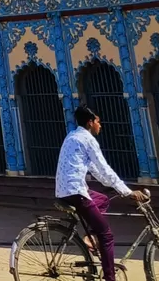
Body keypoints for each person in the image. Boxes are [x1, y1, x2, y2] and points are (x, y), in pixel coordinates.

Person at [55, 106, 146, 281]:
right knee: (107, 236)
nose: (100, 125)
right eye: (98, 121)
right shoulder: (88, 140)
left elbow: (95, 169)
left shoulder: (72, 136)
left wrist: (113, 186)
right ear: (90, 122)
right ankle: (110, 278)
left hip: (64, 189)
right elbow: (104, 168)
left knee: (102, 199)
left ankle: (90, 237)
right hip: (76, 191)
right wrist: (126, 191)